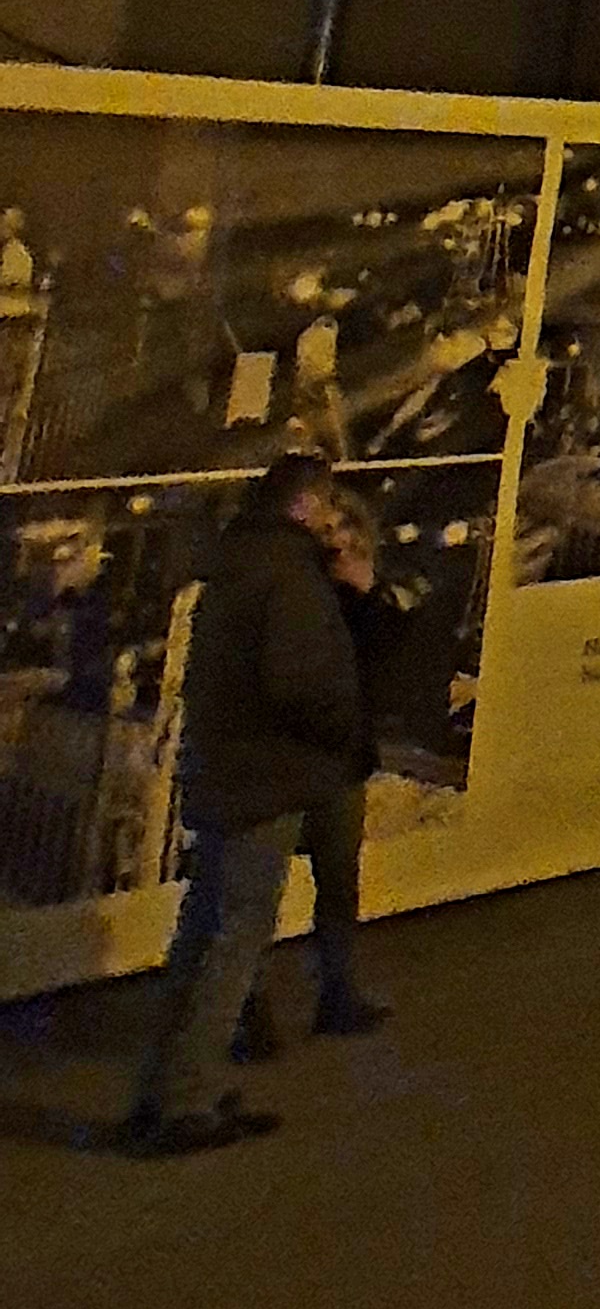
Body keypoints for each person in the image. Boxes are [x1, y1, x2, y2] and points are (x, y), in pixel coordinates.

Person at [119, 453, 370, 1153]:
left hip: (228, 771)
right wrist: (342, 727)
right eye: (326, 504)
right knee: (233, 941)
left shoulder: (239, 560)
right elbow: (300, 682)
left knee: (203, 937)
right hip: (264, 778)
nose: (331, 518)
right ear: (305, 504)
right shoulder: (288, 574)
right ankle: (184, 1106)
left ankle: (166, 1091)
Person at [235, 481, 401, 1056]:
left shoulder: (357, 592)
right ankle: (246, 1009)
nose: (336, 539)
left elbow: (386, 665)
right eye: (324, 529)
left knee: (337, 883)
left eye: (344, 527)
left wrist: (367, 593)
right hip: (287, 762)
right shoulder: (288, 592)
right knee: (259, 891)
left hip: (340, 760)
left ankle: (338, 994)